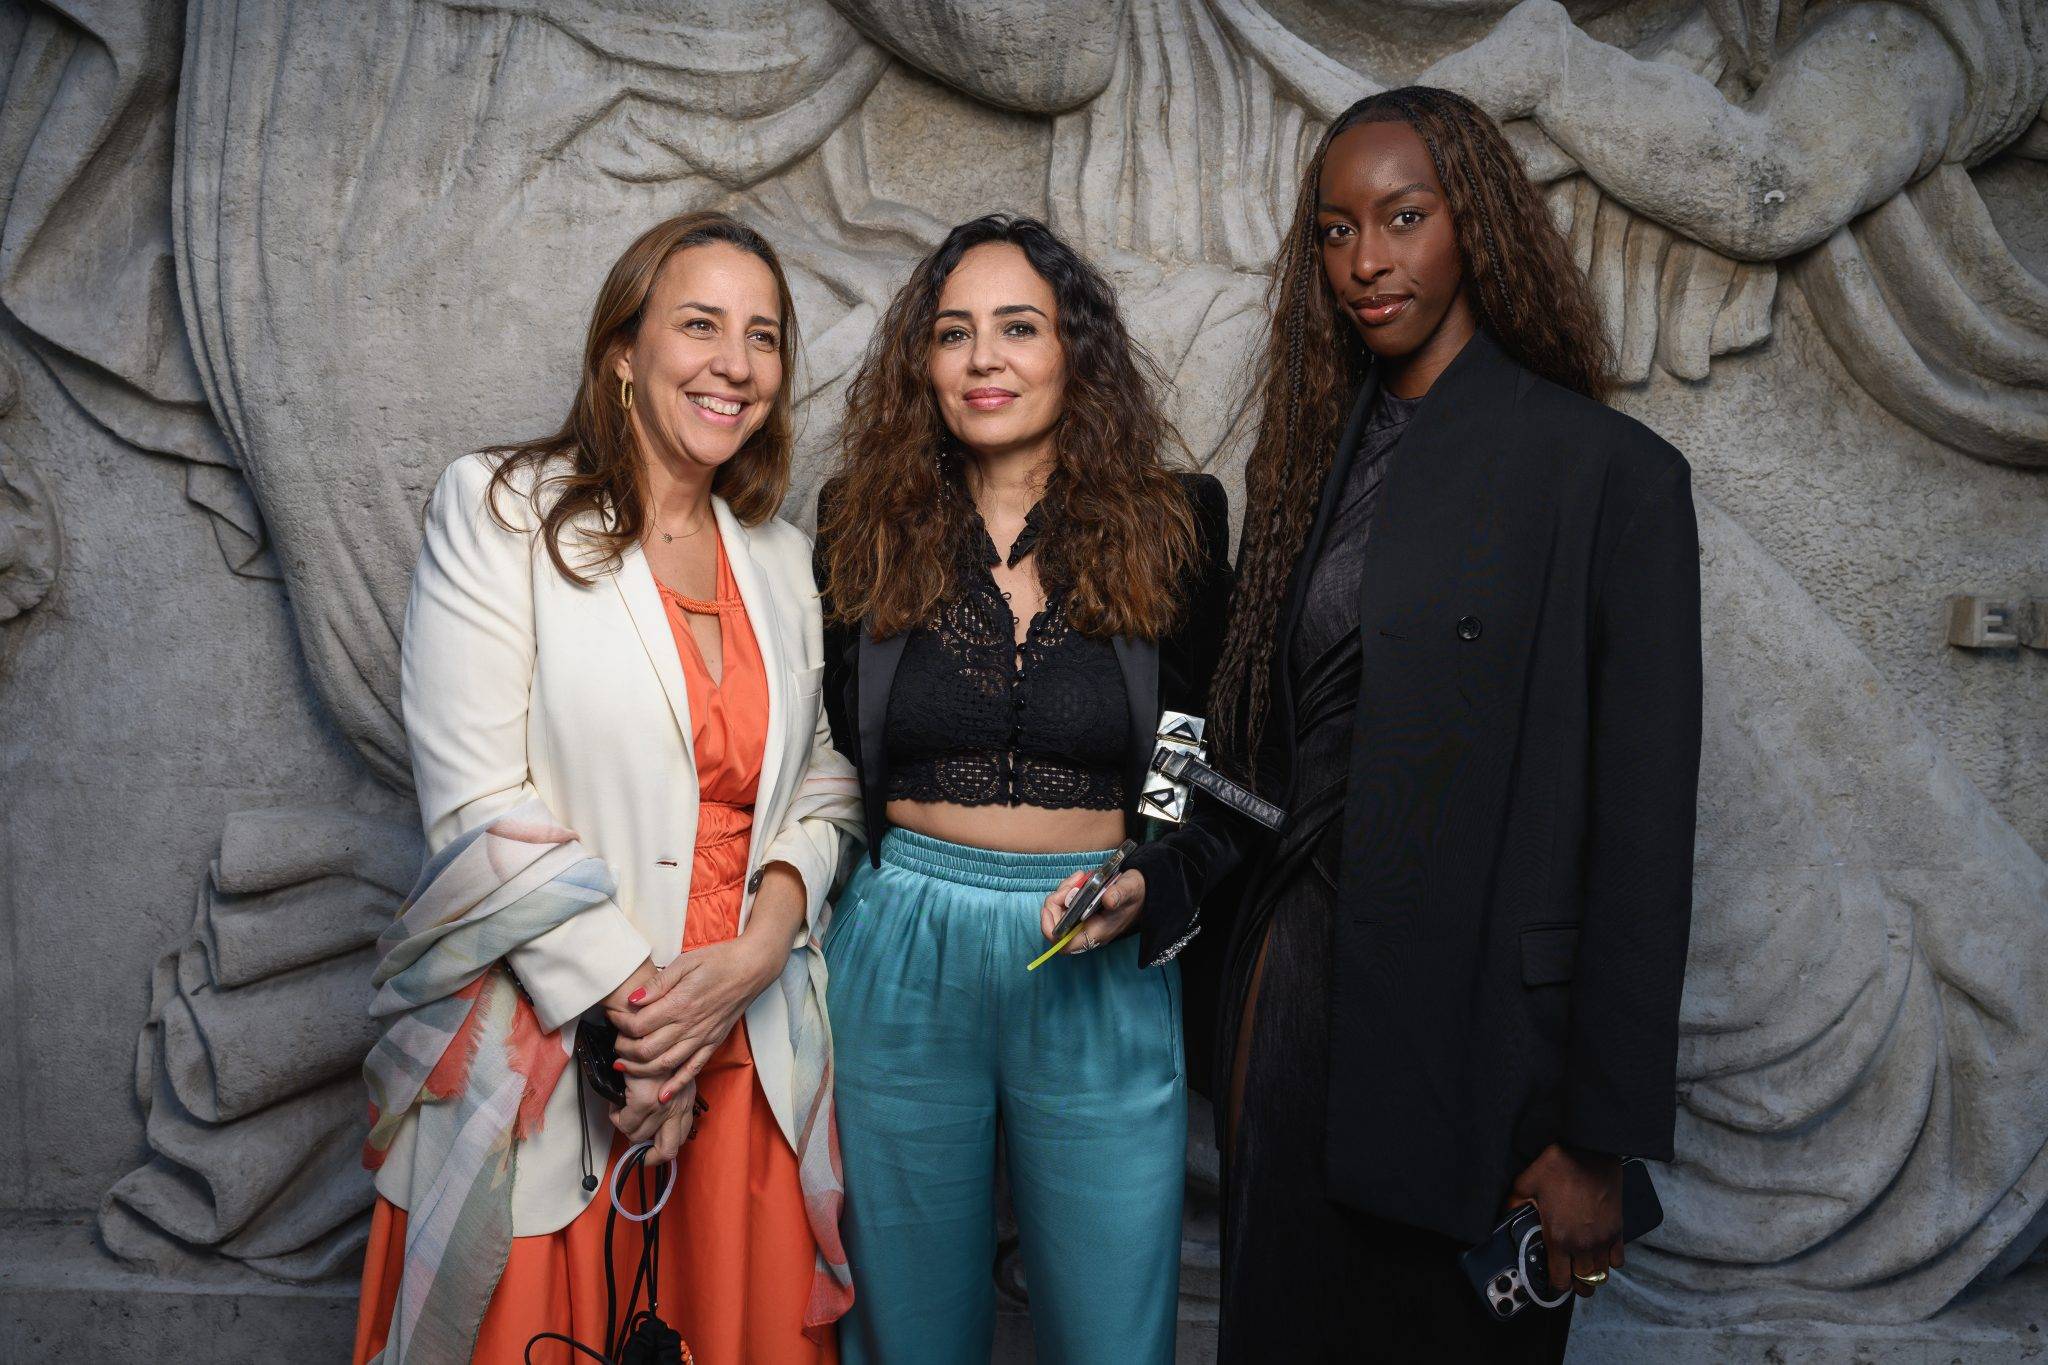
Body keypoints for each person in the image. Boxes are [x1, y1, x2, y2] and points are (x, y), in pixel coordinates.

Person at [1131, 86, 1704, 1361]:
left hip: (1480, 1065)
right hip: (1290, 1013)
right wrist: (1158, 871)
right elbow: (1265, 751)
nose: (1365, 262)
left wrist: (1594, 1141)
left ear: (1476, 225)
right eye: (1333, 232)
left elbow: (1643, 839)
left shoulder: (1609, 480)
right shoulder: (1309, 468)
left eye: (1401, 217)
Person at [353, 211, 860, 1364]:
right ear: (622, 351)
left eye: (763, 336)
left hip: (745, 1042)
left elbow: (826, 775)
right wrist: (646, 1034)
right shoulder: (500, 509)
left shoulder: (778, 558)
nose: (735, 363)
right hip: (566, 1043)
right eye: (699, 324)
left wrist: (764, 941)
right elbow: (476, 804)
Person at [812, 213, 1232, 1365]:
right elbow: (832, 750)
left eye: (1017, 327)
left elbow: (1197, 751)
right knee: (905, 1330)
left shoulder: (1174, 522)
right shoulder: (859, 521)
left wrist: (1149, 880)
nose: (983, 359)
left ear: (1073, 352)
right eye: (952, 334)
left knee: (1111, 1333)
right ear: (923, 364)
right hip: (898, 947)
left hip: (1092, 944)